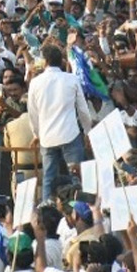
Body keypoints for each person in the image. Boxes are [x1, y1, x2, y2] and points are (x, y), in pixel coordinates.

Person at [26, 44, 92, 202]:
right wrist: (87, 131)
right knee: (76, 176)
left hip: (47, 137)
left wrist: (36, 134)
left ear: (46, 61)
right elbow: (83, 110)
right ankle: (80, 210)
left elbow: (32, 114)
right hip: (70, 134)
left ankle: (46, 211)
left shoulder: (35, 83)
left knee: (48, 178)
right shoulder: (71, 79)